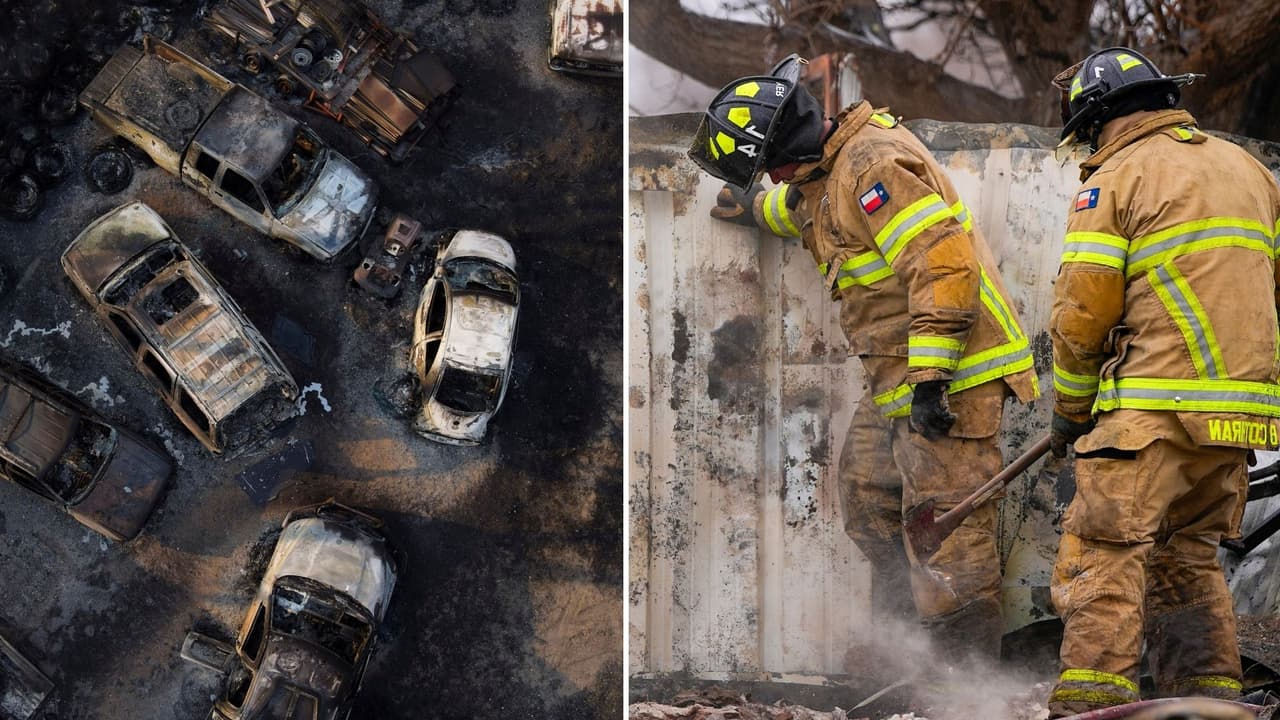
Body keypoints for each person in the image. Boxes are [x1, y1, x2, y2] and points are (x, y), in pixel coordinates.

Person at [689, 55, 1039, 662]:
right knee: (869, 501)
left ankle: (961, 684)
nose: (771, 182)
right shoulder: (823, 178)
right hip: (902, 382)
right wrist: (747, 207)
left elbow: (943, 267)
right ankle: (908, 651)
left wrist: (931, 379)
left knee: (945, 532)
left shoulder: (872, 166)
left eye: (768, 170)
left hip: (954, 375)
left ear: (786, 150)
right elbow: (802, 212)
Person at [1045, 47, 1280, 717]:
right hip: (1239, 421)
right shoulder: (1251, 171)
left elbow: (1082, 314)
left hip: (1153, 409)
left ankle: (1090, 705)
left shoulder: (1116, 176)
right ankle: (1205, 702)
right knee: (1188, 561)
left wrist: (1069, 412)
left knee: (1103, 555)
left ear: (1098, 119)